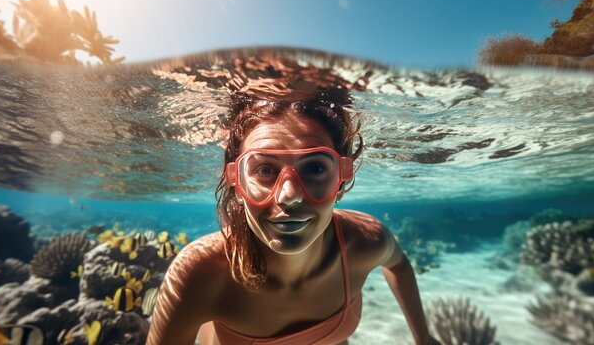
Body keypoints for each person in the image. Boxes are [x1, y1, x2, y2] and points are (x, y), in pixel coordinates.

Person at [147, 86, 439, 345]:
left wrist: (423, 338)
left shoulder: (366, 240)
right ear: (237, 183)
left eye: (314, 168)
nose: (289, 195)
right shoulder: (201, 274)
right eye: (264, 169)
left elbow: (399, 267)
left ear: (341, 180)